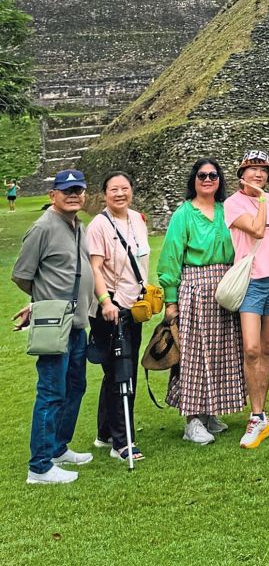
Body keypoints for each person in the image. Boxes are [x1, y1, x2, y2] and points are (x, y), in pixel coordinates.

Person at [11, 168, 95, 484]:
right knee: (51, 391)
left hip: (77, 322)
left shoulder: (77, 227)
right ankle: (40, 466)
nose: (73, 195)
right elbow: (22, 273)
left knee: (75, 386)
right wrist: (42, 301)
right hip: (53, 322)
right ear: (53, 195)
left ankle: (58, 447)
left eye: (78, 190)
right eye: (67, 190)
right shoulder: (43, 227)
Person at [157, 157, 246, 445]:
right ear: (193, 180)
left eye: (213, 175)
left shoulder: (226, 210)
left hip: (225, 288)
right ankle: (192, 419)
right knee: (194, 356)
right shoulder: (184, 213)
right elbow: (171, 256)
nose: (208, 180)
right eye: (202, 175)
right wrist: (171, 302)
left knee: (221, 353)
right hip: (195, 288)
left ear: (220, 181)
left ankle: (210, 413)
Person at [86, 170, 150, 461]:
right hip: (111, 307)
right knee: (122, 373)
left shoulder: (137, 219)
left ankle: (105, 433)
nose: (120, 194)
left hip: (133, 306)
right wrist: (105, 302)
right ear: (105, 194)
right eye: (114, 189)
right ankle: (122, 443)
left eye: (125, 188)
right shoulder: (99, 225)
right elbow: (95, 268)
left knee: (116, 370)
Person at [224, 150, 269, 449]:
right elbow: (258, 230)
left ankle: (262, 412)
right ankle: (255, 415)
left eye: (263, 171)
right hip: (252, 281)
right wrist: (260, 199)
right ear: (241, 175)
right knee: (250, 349)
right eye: (252, 170)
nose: (258, 175)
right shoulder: (233, 203)